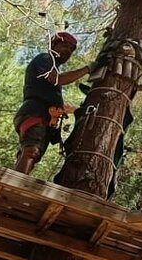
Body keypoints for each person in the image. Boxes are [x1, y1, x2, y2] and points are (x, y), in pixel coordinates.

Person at [14, 31, 91, 174]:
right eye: (64, 46)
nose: (67, 51)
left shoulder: (52, 67)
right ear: (53, 45)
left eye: (70, 49)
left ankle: (15, 183)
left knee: (33, 155)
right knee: (32, 151)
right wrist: (87, 69)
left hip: (45, 116)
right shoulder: (44, 59)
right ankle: (12, 187)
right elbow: (58, 80)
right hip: (35, 111)